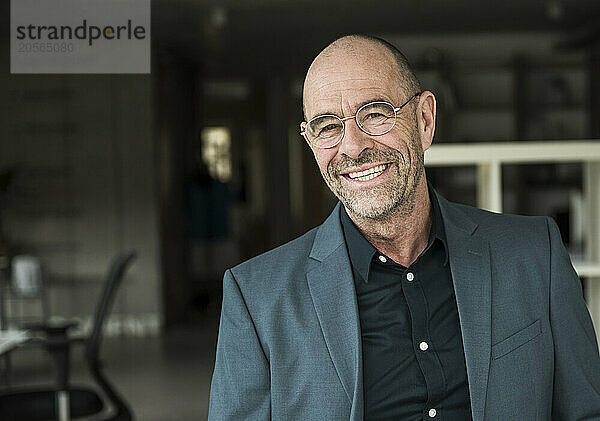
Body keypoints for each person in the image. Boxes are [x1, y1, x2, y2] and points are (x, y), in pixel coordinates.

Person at [208, 35, 600, 420]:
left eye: (375, 114)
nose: (353, 146)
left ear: (425, 120)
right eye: (328, 126)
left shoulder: (535, 255)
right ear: (310, 141)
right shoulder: (256, 298)